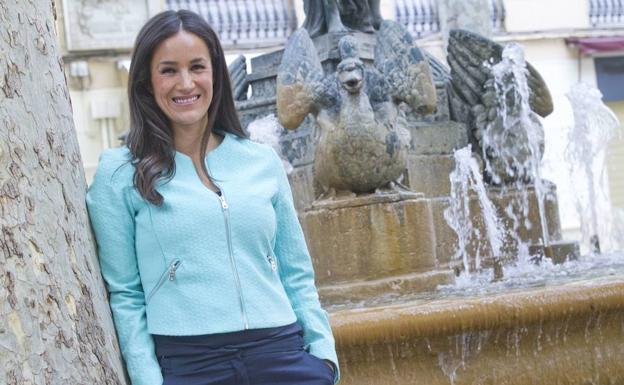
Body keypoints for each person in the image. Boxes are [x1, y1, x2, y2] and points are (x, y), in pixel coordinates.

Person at [86, 10, 339, 385]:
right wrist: (147, 380)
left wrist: (324, 357)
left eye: (197, 67)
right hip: (191, 363)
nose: (185, 83)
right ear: (146, 81)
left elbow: (296, 271)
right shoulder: (121, 172)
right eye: (168, 70)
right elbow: (125, 293)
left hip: (281, 352)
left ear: (215, 74)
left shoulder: (260, 161)